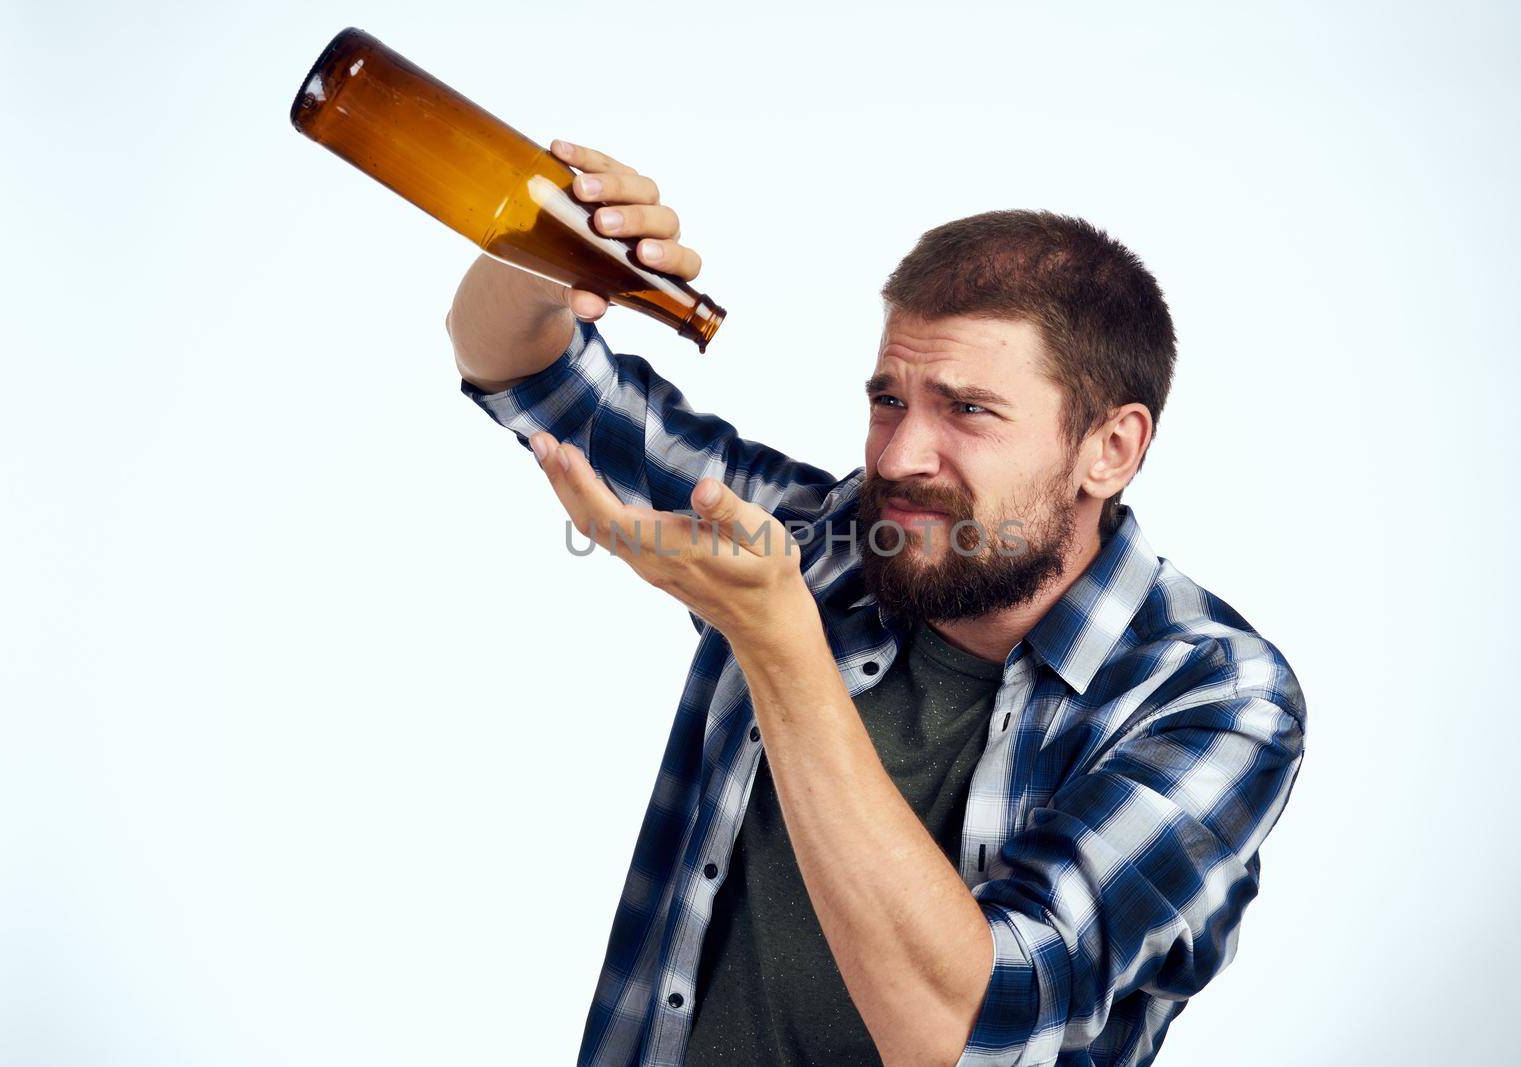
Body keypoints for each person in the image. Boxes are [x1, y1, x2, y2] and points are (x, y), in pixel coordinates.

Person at [446, 140, 1307, 1067]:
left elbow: (971, 1029)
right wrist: (540, 251)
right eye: (889, 398)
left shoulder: (1216, 699)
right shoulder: (826, 545)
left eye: (968, 410)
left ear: (1111, 448)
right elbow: (522, 368)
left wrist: (778, 646)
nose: (898, 458)